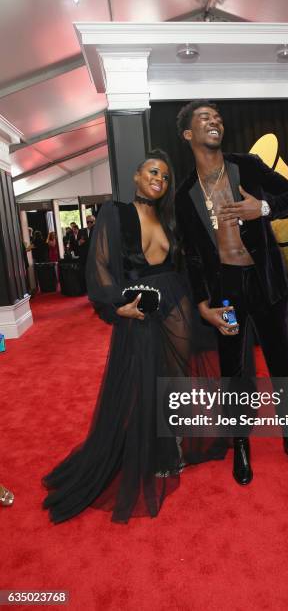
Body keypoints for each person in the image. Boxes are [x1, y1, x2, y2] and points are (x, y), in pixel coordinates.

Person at [43, 150, 224, 524]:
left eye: (165, 176)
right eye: (153, 172)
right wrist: (113, 308)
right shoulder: (115, 212)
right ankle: (151, 452)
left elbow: (186, 269)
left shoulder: (168, 218)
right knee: (142, 383)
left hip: (178, 304)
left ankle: (173, 447)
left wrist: (203, 307)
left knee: (175, 379)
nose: (160, 179)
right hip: (139, 309)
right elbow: (100, 269)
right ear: (137, 176)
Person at [175, 100, 288, 486]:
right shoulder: (185, 194)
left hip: (266, 282)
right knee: (234, 371)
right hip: (226, 293)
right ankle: (241, 442)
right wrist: (204, 304)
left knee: (281, 367)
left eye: (217, 117)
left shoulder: (248, 166)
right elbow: (190, 256)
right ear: (189, 134)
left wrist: (265, 208)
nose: (215, 121)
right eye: (204, 118)